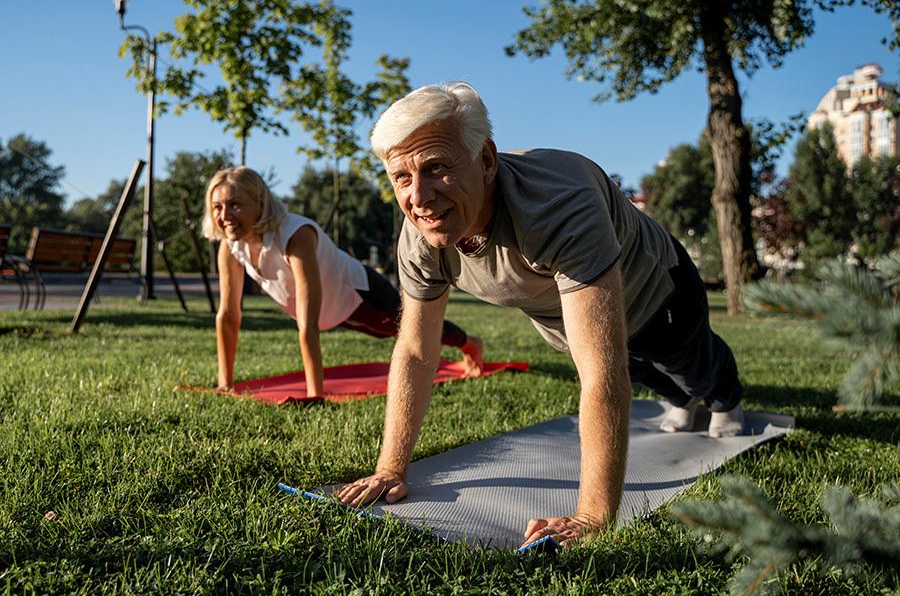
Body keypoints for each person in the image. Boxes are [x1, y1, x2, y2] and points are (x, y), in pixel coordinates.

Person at [334, 82, 745, 548]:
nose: (419, 196)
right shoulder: (421, 238)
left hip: (658, 292)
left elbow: (600, 374)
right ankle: (681, 399)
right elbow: (414, 351)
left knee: (689, 367)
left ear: (487, 161)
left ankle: (725, 397)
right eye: (400, 178)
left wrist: (593, 514)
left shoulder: (557, 204)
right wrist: (390, 468)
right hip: (567, 320)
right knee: (650, 378)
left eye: (437, 168)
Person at [201, 166, 484, 397]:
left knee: (407, 328)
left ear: (260, 203)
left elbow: (307, 321)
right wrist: (225, 383)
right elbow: (228, 315)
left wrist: (315, 394)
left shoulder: (295, 236)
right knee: (394, 331)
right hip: (331, 309)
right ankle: (466, 342)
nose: (224, 216)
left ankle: (469, 343)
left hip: (359, 293)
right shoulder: (231, 247)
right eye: (217, 207)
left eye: (235, 205)